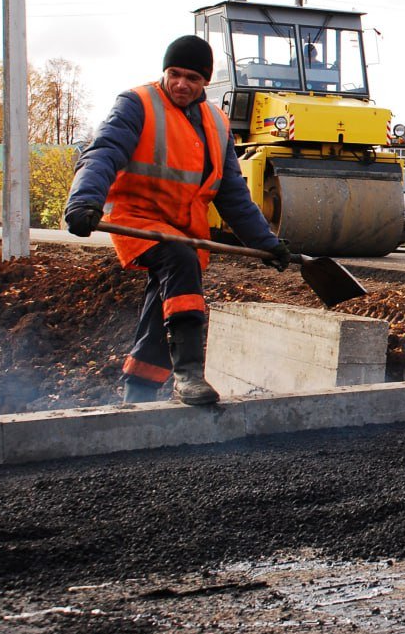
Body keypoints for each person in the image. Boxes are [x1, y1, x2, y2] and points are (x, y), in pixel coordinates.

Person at [64, 35, 292, 406]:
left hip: (185, 231)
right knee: (179, 261)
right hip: (138, 220)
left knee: (164, 308)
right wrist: (84, 201)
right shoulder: (137, 104)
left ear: (206, 82)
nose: (181, 84)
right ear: (165, 72)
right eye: (174, 74)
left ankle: (137, 395)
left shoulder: (217, 123)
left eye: (192, 78)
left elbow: (231, 192)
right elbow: (104, 153)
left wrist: (265, 242)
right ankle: (188, 373)